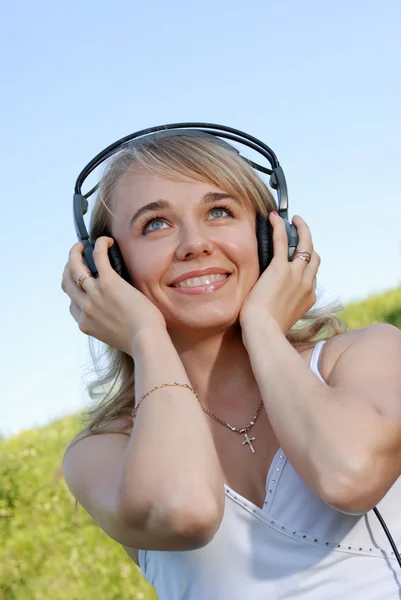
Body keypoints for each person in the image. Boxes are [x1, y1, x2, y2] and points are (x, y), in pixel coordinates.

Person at [61, 132, 401, 599]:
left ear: (272, 237)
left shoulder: (368, 356)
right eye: (155, 224)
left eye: (219, 212)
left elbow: (349, 475)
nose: (195, 244)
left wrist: (262, 325)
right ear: (108, 269)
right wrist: (146, 337)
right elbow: (185, 510)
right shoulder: (101, 454)